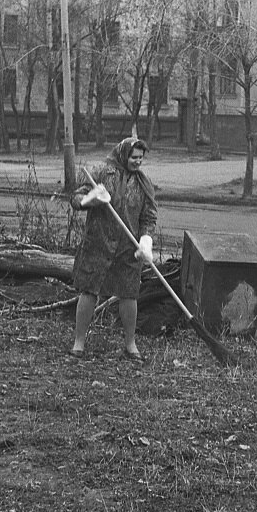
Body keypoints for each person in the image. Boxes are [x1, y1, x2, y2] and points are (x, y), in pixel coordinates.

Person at [69, 137, 157, 363]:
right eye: (134, 157)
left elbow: (149, 217)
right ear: (123, 154)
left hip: (128, 248)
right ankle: (79, 343)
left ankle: (130, 344)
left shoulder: (143, 183)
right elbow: (75, 199)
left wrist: (145, 240)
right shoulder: (101, 172)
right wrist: (89, 199)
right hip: (98, 243)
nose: (137, 162)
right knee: (89, 291)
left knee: (129, 293)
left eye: (141, 158)